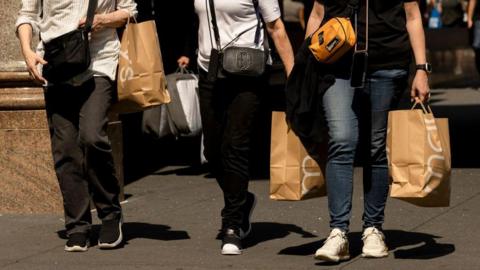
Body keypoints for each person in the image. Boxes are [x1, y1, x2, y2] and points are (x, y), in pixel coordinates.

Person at [305, 0, 430, 262]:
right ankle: (338, 232)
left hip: (387, 63)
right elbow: (317, 14)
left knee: (376, 146)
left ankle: (373, 228)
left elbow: (412, 15)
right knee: (341, 139)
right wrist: (305, 67)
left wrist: (421, 69)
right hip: (336, 63)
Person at [16, 0, 137, 252]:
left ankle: (110, 213)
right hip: (56, 62)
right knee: (65, 148)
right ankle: (78, 225)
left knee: (92, 136)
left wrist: (102, 20)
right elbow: (26, 14)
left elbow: (129, 10)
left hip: (99, 60)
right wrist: (27, 51)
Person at [178, 0, 294, 255]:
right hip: (210, 70)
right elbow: (195, 21)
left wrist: (293, 76)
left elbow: (276, 27)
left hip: (247, 70)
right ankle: (241, 200)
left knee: (235, 146)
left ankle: (232, 226)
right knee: (212, 151)